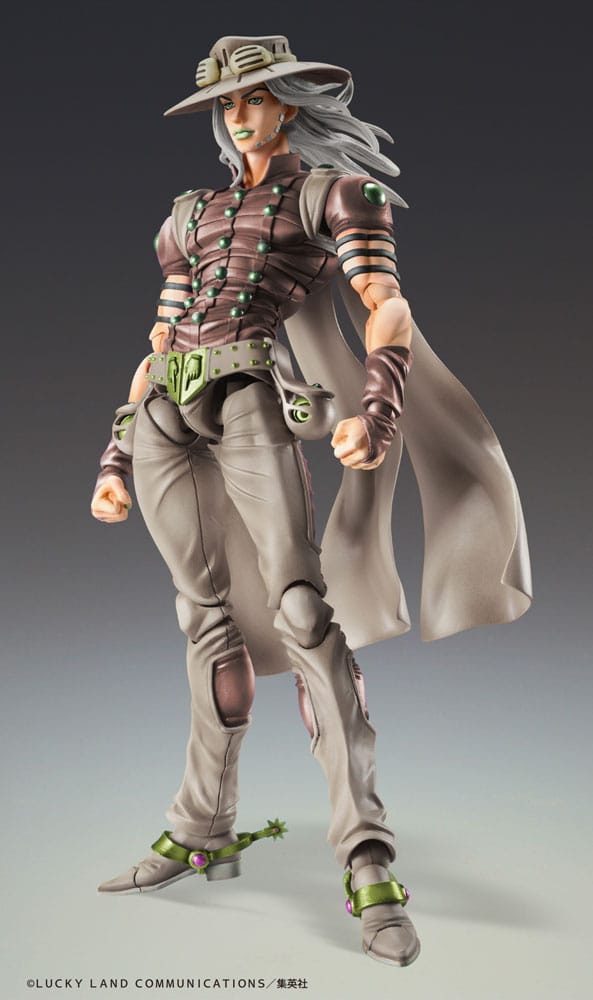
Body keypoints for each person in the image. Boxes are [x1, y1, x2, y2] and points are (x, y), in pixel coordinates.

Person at [91, 34, 531, 968]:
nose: (237, 115)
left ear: (287, 102)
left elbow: (386, 305)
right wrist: (115, 454)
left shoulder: (332, 195)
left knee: (301, 613)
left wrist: (378, 409)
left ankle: (367, 860)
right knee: (205, 621)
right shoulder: (189, 215)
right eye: (226, 103)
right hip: (166, 414)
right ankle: (202, 827)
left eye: (252, 97)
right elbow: (158, 340)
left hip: (250, 399)